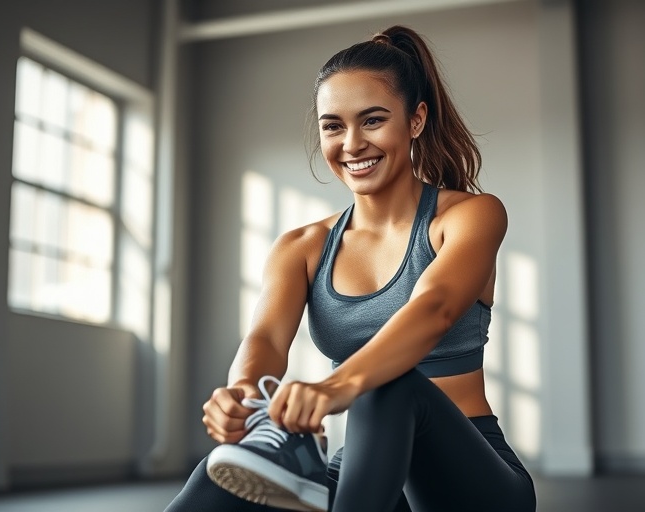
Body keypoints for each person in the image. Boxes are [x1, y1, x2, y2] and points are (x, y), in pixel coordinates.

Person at [164, 25, 536, 512]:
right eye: (333, 126)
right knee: (228, 469)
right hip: (366, 473)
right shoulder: (301, 247)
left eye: (373, 120)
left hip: (470, 481)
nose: (352, 143)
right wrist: (241, 398)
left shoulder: (469, 216)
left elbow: (435, 308)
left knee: (391, 385)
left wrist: (336, 385)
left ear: (416, 120)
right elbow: (266, 341)